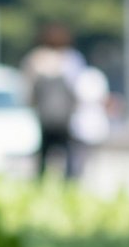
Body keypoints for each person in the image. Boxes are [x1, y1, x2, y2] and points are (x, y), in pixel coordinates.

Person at [20, 24, 86, 181]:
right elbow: (79, 87)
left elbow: (28, 90)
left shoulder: (35, 59)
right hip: (65, 116)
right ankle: (70, 185)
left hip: (44, 115)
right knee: (69, 153)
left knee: (43, 154)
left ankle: (41, 184)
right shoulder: (71, 59)